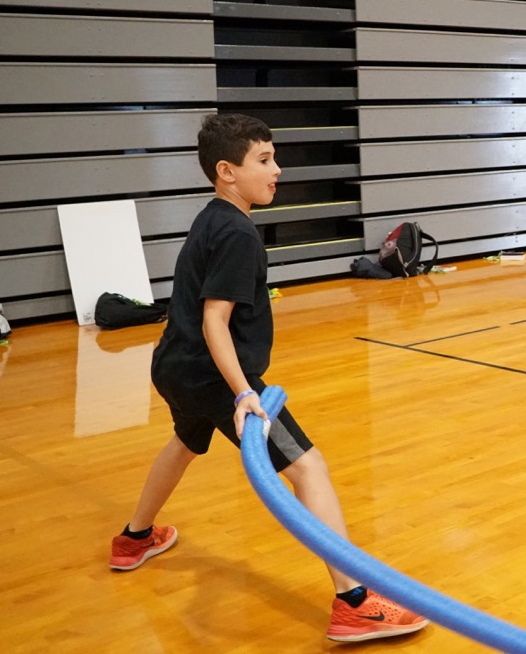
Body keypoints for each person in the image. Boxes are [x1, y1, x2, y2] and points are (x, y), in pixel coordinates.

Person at [109, 113, 428, 644]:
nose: (277, 169)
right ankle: (353, 602)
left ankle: (134, 537)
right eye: (264, 159)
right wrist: (243, 393)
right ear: (226, 171)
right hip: (215, 377)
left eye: (274, 157)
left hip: (174, 367)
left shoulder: (213, 217)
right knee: (308, 466)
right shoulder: (237, 234)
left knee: (185, 443)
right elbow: (215, 321)